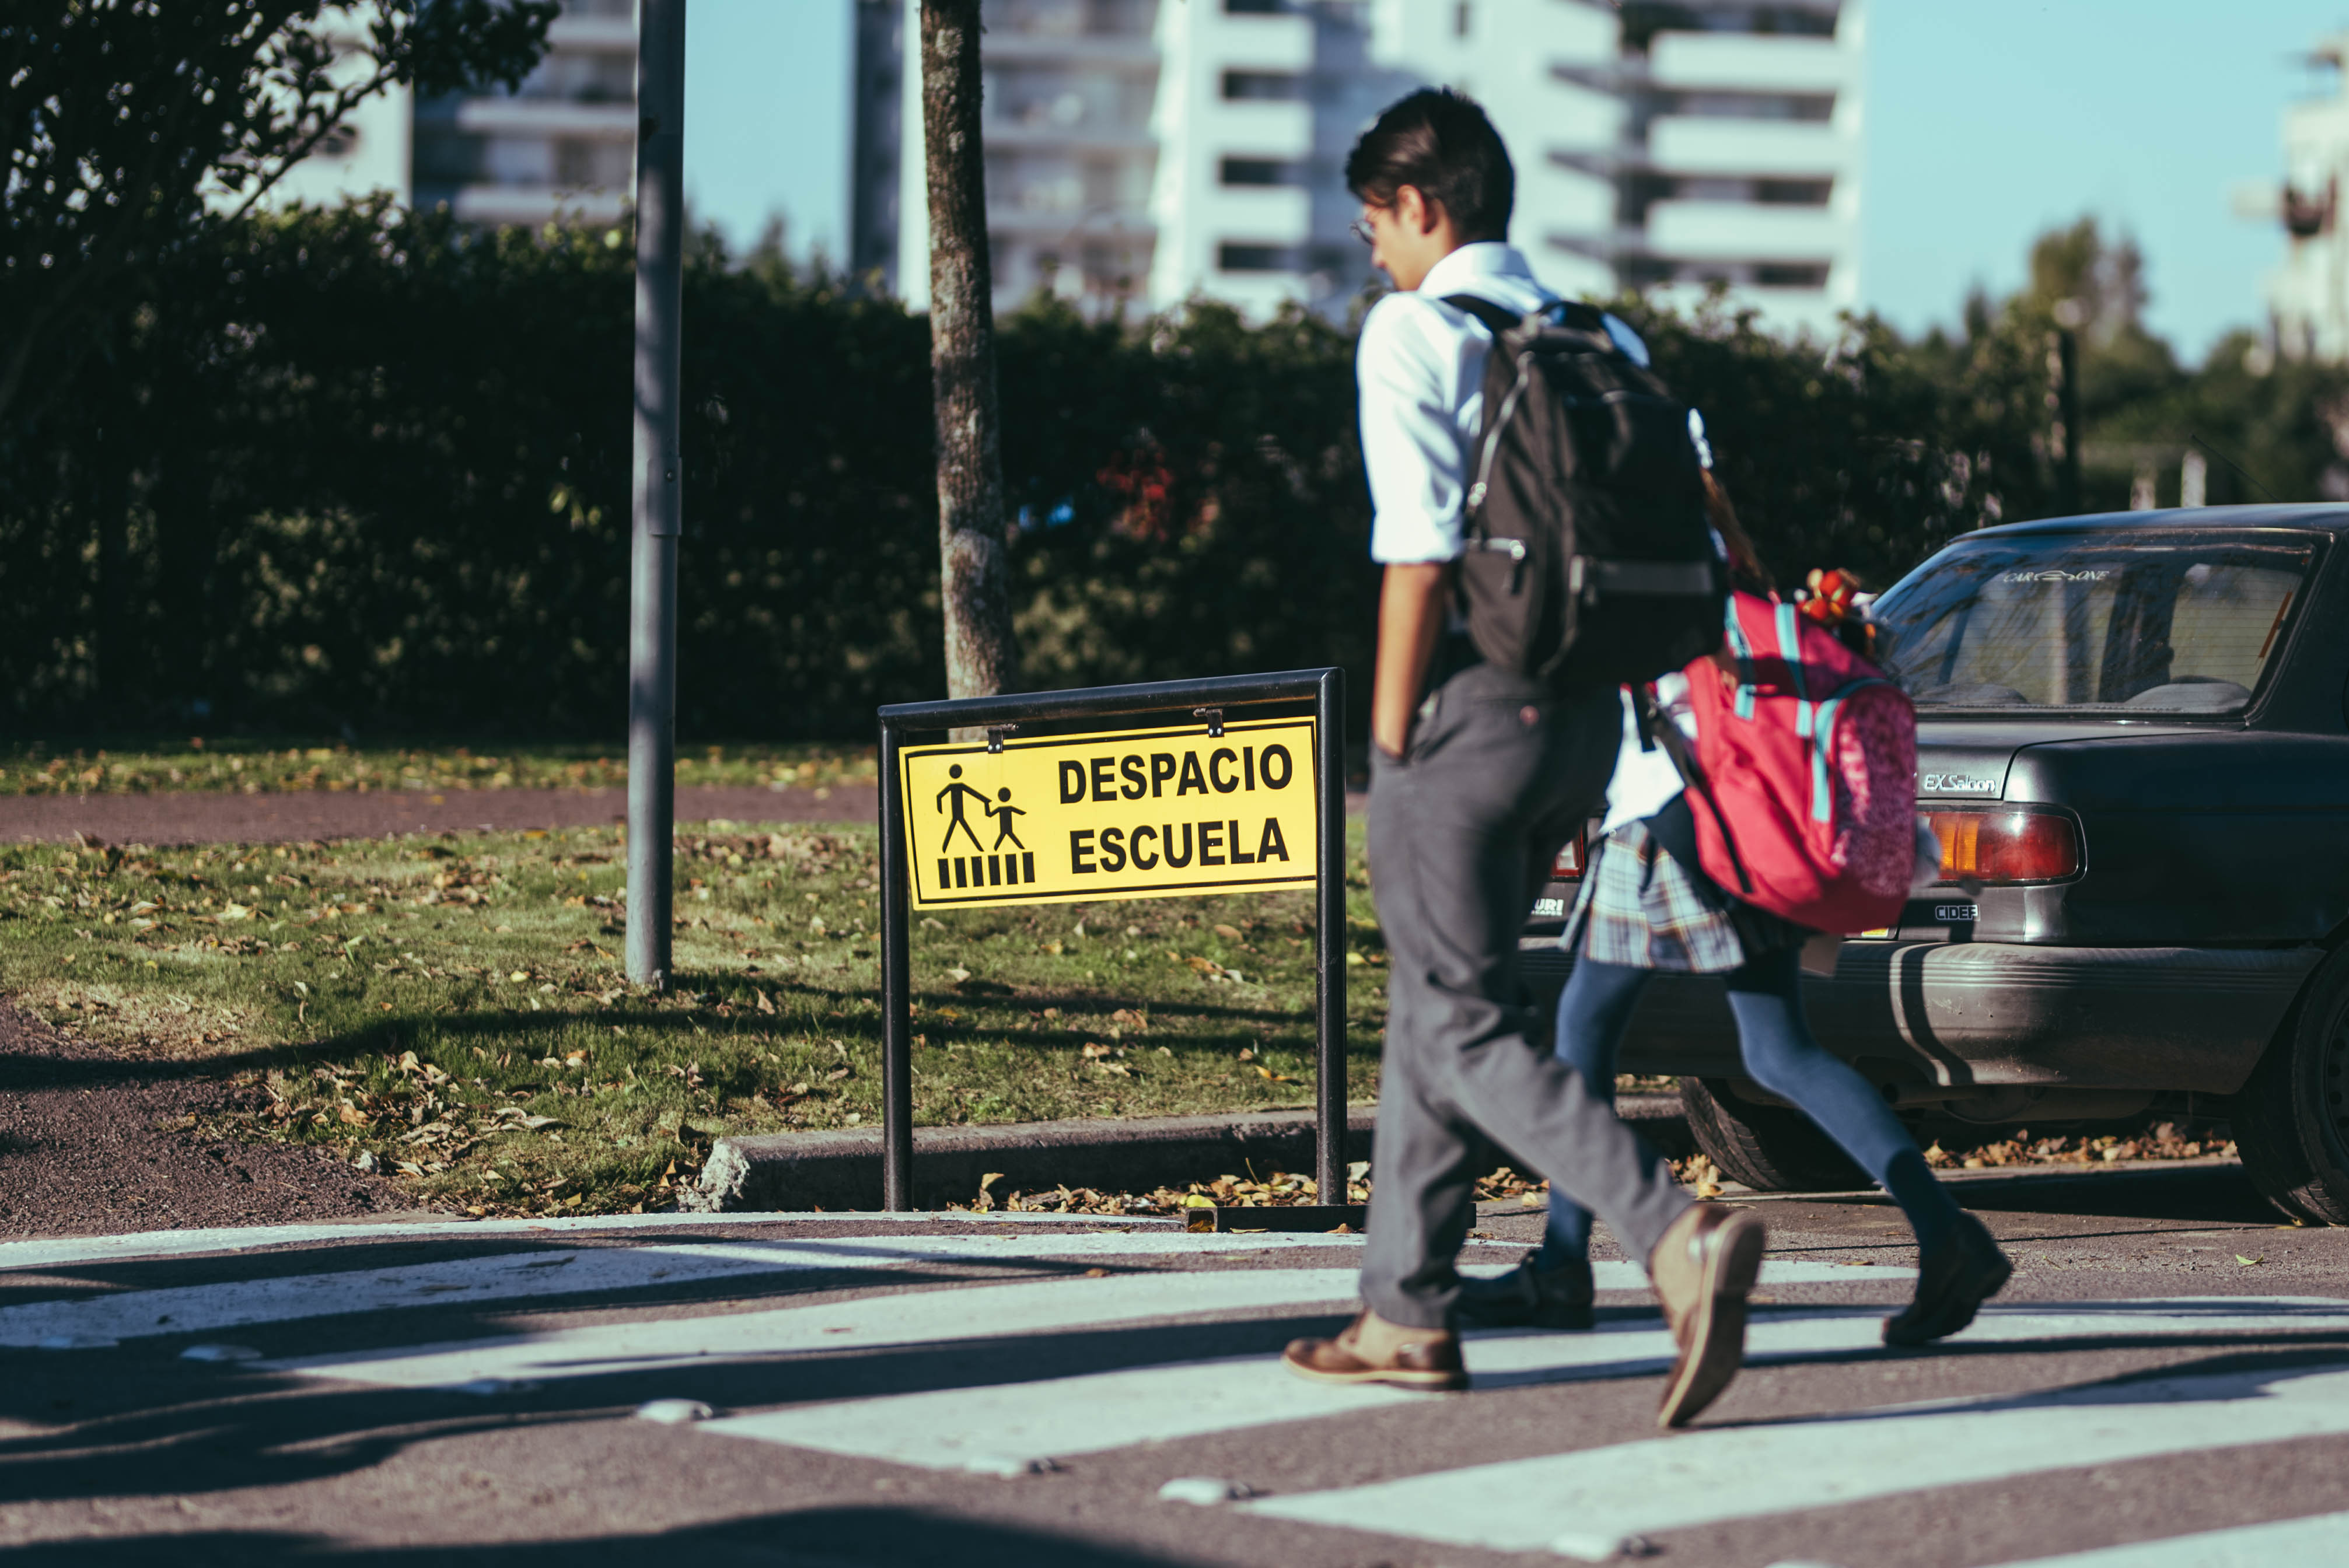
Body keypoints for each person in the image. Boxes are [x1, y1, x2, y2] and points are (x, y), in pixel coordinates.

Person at [1278, 88, 1766, 1429]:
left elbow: (1416, 550)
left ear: (1420, 206)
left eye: (1376, 224)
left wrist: (1387, 746)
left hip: (1470, 720)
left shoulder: (1416, 331)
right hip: (1589, 722)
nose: (1375, 250)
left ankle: (1674, 1234)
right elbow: (1707, 523)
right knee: (1438, 1011)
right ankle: (1405, 1313)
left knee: (1463, 1022)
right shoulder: (1601, 335)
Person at [1456, 471, 2014, 1346]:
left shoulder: (1648, 561)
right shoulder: (1725, 568)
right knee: (1772, 1048)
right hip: (1743, 821)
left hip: (1673, 822)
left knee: (1586, 1036)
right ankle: (1946, 1233)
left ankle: (1563, 1266)